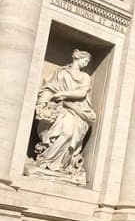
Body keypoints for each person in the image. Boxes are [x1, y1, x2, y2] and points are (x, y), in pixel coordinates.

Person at [33, 50, 96, 179]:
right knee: (66, 131)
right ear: (78, 58)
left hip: (77, 111)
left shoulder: (85, 77)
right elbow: (49, 88)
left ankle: (62, 164)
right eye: (85, 61)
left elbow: (82, 93)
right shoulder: (60, 73)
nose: (86, 64)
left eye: (88, 62)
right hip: (60, 108)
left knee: (70, 133)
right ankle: (47, 160)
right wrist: (43, 103)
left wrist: (62, 94)